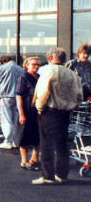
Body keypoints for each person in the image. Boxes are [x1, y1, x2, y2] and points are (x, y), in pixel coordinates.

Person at [32, 48, 83, 185]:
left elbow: (43, 92)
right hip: (65, 113)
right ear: (64, 59)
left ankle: (48, 176)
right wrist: (73, 106)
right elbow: (79, 96)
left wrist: (40, 107)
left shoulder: (48, 71)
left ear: (50, 58)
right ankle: (62, 175)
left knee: (47, 144)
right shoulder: (73, 74)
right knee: (62, 144)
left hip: (50, 111)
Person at [0, 55, 25, 149]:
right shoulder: (20, 69)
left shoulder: (4, 67)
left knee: (6, 119)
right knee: (15, 120)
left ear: (2, 61)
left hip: (6, 96)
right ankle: (16, 141)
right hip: (17, 96)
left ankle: (8, 141)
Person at [15, 57, 41, 170]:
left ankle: (35, 158)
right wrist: (21, 114)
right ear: (27, 65)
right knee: (24, 136)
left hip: (38, 110)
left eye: (38, 65)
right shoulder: (23, 78)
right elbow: (19, 97)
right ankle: (24, 161)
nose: (36, 66)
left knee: (38, 136)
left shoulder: (40, 78)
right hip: (26, 110)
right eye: (34, 64)